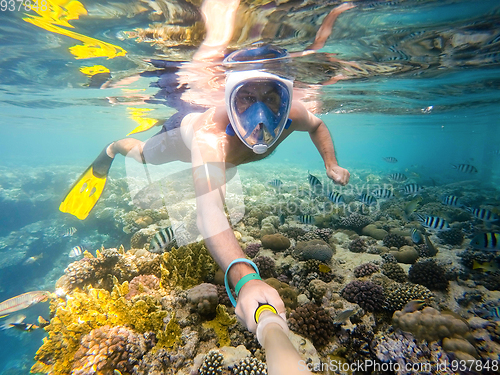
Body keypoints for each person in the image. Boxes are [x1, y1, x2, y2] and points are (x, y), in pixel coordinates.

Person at [60, 0, 351, 334]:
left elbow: (317, 126)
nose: (261, 117)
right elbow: (209, 212)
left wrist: (331, 163)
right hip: (179, 139)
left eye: (271, 98)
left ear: (285, 98)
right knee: (143, 155)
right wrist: (246, 279)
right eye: (245, 98)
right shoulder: (211, 138)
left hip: (219, 160)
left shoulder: (294, 115)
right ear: (229, 98)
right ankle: (111, 149)